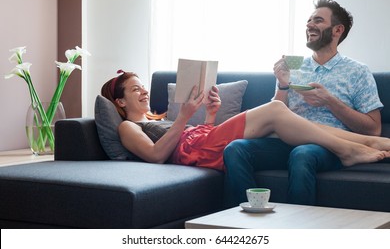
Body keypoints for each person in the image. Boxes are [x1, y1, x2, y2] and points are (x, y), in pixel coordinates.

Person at [223, 0, 384, 207]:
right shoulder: (295, 64)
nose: (309, 25)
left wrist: (330, 102)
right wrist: (282, 84)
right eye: (309, 20)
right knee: (235, 148)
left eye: (318, 20)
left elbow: (374, 129)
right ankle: (246, 221)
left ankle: (299, 230)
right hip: (286, 140)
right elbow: (277, 112)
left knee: (303, 153)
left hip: (328, 145)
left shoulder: (358, 71)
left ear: (337, 30)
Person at [100, 70, 389, 175]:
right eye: (136, 89)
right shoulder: (129, 127)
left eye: (143, 86)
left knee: (306, 127)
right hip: (198, 152)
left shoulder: (159, 119)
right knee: (276, 109)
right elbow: (157, 155)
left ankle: (376, 142)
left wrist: (211, 114)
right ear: (120, 102)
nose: (144, 91)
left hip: (203, 143)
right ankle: (347, 152)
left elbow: (194, 139)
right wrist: (185, 116)